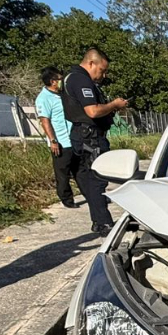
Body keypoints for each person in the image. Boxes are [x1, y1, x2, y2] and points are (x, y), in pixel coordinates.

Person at [61, 47, 128, 234]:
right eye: (102, 70)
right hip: (90, 137)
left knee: (88, 179)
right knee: (97, 179)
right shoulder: (80, 79)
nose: (103, 75)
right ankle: (104, 223)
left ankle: (98, 221)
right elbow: (93, 111)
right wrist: (114, 105)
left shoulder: (72, 78)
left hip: (83, 135)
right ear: (91, 63)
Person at [34, 67, 78, 208]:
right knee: (62, 173)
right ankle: (67, 199)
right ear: (53, 81)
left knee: (81, 170)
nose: (62, 82)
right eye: (60, 79)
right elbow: (45, 121)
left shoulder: (62, 94)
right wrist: (53, 140)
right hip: (60, 142)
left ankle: (91, 195)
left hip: (73, 139)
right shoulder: (43, 98)